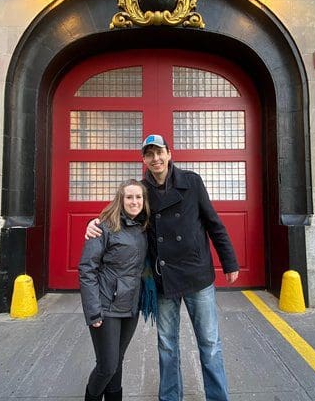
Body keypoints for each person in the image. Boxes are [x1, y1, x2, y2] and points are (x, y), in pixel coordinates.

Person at [87, 134, 239, 401]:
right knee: (167, 345)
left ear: (169, 154)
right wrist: (95, 222)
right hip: (163, 279)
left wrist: (229, 260)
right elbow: (122, 211)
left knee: (210, 344)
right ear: (144, 159)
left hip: (197, 274)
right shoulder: (142, 190)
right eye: (150, 154)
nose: (156, 158)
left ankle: (218, 397)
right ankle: (170, 398)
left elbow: (213, 222)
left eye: (160, 152)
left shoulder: (191, 181)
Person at [78, 179, 150, 401]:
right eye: (129, 197)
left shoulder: (143, 227)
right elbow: (87, 269)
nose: (134, 201)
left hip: (130, 306)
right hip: (106, 306)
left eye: (138, 197)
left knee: (117, 360)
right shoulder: (103, 227)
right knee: (107, 366)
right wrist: (93, 311)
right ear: (120, 199)